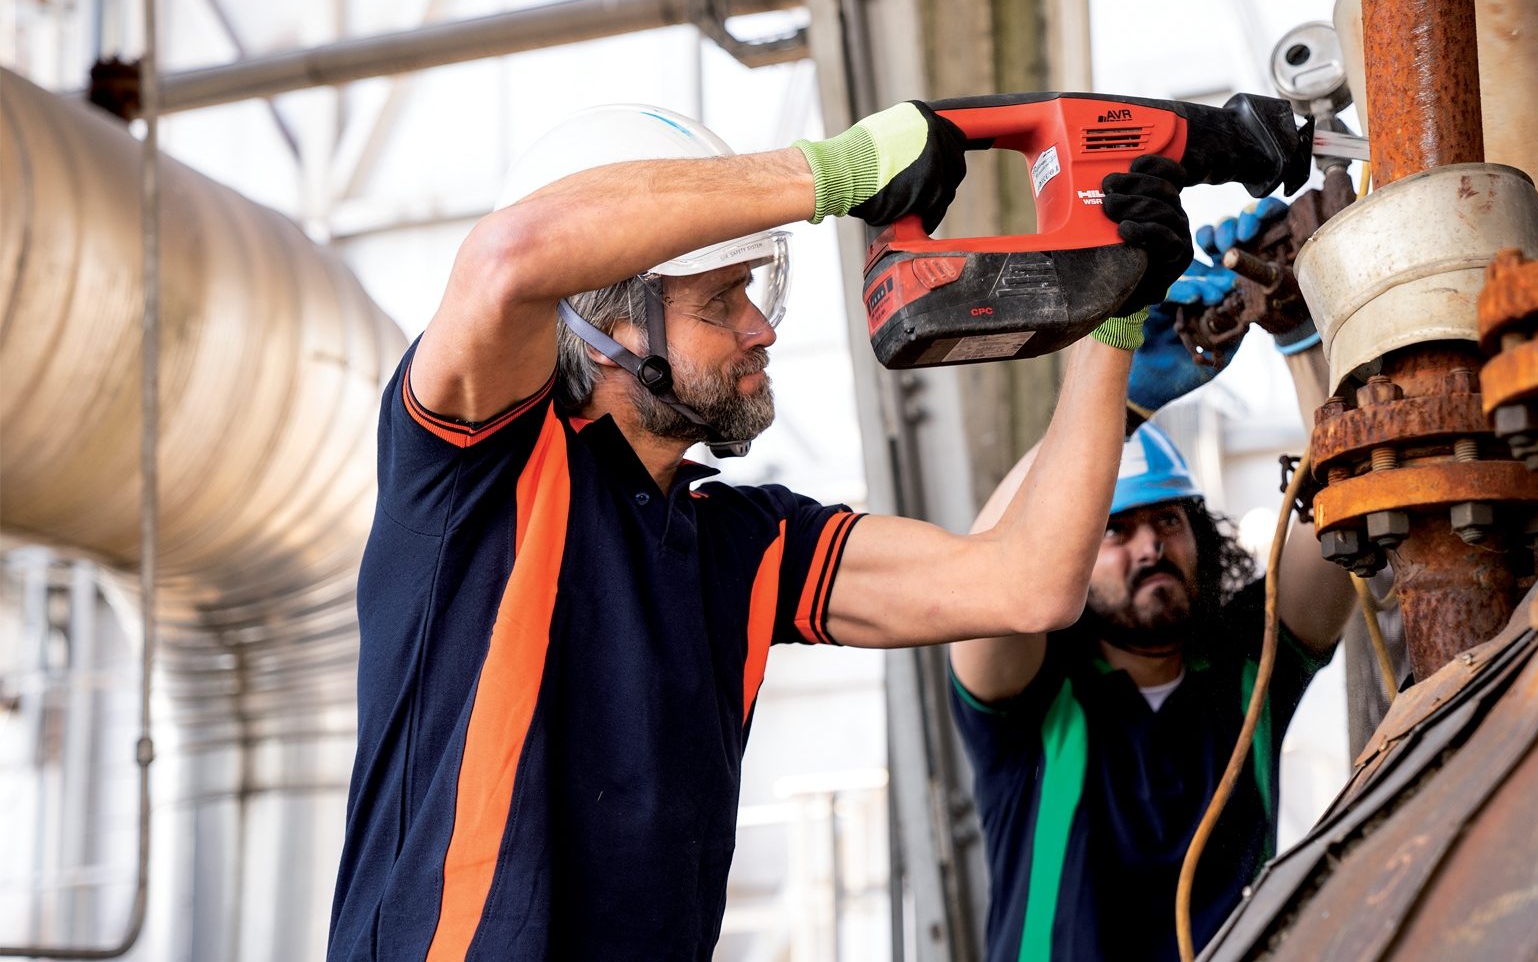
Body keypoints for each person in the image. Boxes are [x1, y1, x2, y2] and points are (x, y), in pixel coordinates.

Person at [324, 98, 1278, 960]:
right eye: (719, 300)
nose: (762, 327)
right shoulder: (480, 469)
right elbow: (505, 262)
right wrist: (835, 171)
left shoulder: (744, 544)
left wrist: (1109, 333)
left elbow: (1027, 585)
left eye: (756, 289)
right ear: (603, 324)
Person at [950, 203, 1353, 962]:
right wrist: (1120, 407)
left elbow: (1348, 515)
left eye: (1167, 522)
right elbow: (988, 580)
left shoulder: (1246, 671)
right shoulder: (1034, 704)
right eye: (1115, 530)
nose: (1149, 547)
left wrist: (1302, 329)